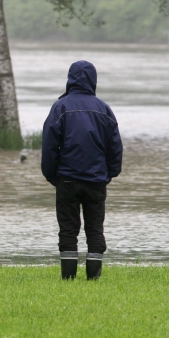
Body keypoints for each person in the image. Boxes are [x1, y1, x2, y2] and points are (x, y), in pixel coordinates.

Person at [41, 60, 123, 280]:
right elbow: (115, 146)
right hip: (96, 180)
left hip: (66, 179)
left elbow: (49, 145)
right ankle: (93, 278)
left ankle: (68, 278)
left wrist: (51, 175)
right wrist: (110, 173)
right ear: (93, 79)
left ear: (70, 78)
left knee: (68, 229)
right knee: (95, 229)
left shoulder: (60, 107)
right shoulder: (104, 109)